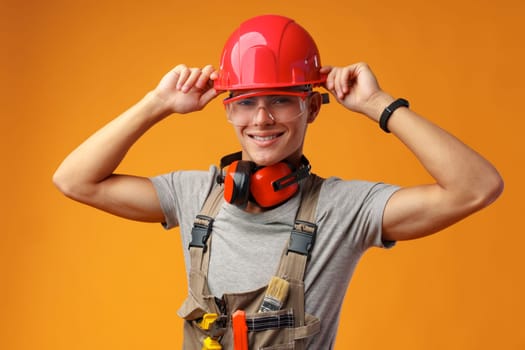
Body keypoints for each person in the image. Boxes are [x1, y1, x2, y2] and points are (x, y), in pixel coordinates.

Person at [53, 14, 503, 349]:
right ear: (228, 110)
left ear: (313, 107)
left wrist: (380, 105)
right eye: (246, 103)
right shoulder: (193, 195)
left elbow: (476, 187)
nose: (262, 119)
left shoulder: (346, 209)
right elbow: (75, 180)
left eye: (282, 101)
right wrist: (156, 104)